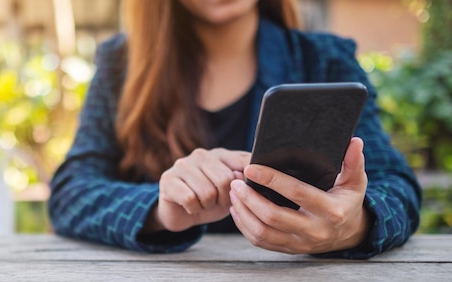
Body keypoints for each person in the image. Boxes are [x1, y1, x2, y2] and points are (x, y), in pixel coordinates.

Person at [47, 0, 421, 259]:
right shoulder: (120, 64)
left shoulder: (324, 59)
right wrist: (160, 211)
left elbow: (396, 185)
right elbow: (70, 193)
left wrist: (353, 225)